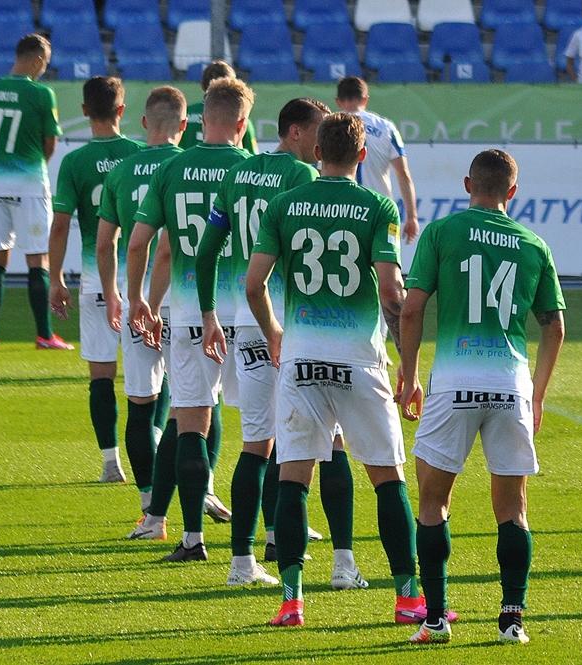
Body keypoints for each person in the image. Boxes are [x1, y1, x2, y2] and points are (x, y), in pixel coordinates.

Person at [246, 112, 448, 627]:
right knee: (387, 477)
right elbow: (391, 291)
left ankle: (291, 601)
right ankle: (407, 598)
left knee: (293, 478)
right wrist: (408, 365)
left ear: (317, 152)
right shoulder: (378, 207)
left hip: (301, 357)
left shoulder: (284, 205)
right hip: (358, 358)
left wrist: (274, 332)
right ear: (362, 156)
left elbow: (253, 285)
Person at [197, 97, 368, 588]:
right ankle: (343, 562)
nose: (321, 146)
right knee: (330, 441)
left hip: (245, 320)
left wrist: (209, 313)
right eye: (315, 134)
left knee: (257, 442)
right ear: (295, 132)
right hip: (293, 324)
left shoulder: (238, 174)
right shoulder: (304, 179)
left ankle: (243, 562)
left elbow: (206, 251)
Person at [399, 149, 566, 645]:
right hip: (510, 386)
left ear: (467, 183)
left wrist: (409, 375)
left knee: (433, 502)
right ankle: (512, 620)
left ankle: (435, 620)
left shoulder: (441, 233)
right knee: (513, 508)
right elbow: (554, 326)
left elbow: (411, 310)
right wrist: (537, 396)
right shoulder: (533, 244)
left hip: (453, 382)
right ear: (512, 191)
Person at [126, 77, 253, 562]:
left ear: (201, 120)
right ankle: (275, 534)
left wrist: (141, 300)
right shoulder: (252, 170)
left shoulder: (173, 168)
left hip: (189, 314)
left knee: (189, 421)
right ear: (242, 122)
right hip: (249, 315)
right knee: (266, 431)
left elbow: (143, 245)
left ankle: (191, 537)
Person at [96, 86, 187, 513]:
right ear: (184, 125)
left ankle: (151, 507)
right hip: (184, 299)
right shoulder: (190, 166)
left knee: (139, 403)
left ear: (145, 122)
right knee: (194, 405)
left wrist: (117, 295)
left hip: (137, 302)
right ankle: (199, 491)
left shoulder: (121, 171)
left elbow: (105, 243)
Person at [48, 76, 143, 482]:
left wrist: (55, 278)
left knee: (101, 376)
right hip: (140, 284)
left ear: (85, 111)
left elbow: (60, 225)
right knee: (150, 375)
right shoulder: (140, 156)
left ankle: (110, 462)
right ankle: (151, 444)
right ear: (122, 110)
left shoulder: (74, 162)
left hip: (95, 283)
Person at [0, 33, 71, 351]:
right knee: (37, 258)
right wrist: (33, 169)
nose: (45, 69)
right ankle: (45, 334)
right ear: (37, 59)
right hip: (30, 183)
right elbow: (49, 143)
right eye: (45, 63)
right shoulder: (42, 94)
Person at [334, 76, 419, 243]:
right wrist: (412, 216)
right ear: (365, 99)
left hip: (343, 211)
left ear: (338, 101)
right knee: (386, 256)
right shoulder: (386, 127)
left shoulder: (330, 126)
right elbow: (403, 174)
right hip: (380, 210)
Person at [179, 60, 259, 155]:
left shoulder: (185, 114)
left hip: (189, 163)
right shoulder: (240, 119)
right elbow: (252, 157)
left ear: (203, 84)